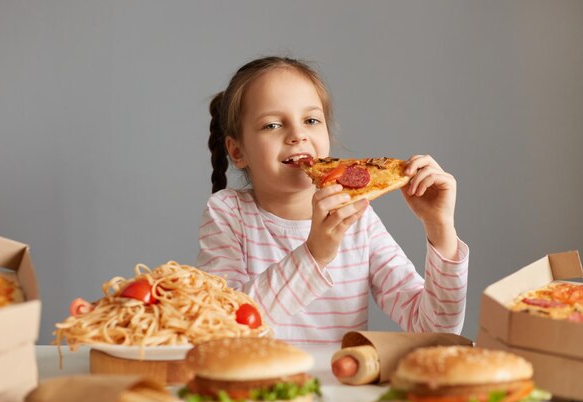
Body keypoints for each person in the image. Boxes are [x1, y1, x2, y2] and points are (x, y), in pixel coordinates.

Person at [196, 56, 469, 344]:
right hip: (255, 387)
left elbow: (438, 332)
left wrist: (440, 229)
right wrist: (315, 254)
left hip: (342, 386)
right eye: (273, 125)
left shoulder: (358, 219)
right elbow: (223, 323)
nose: (297, 135)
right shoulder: (227, 213)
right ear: (238, 152)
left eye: (311, 120)